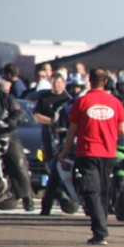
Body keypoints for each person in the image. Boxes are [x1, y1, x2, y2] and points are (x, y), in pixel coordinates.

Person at [57, 68, 124, 244]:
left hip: (88, 152)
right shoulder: (115, 102)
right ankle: (102, 228)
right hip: (108, 153)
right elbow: (123, 130)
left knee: (92, 192)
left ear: (90, 80)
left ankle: (100, 232)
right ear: (105, 82)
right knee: (103, 191)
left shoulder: (82, 102)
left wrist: (65, 150)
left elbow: (72, 130)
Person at [34, 73, 72, 216]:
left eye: (59, 82)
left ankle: (64, 195)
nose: (56, 85)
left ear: (63, 83)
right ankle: (48, 205)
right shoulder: (44, 98)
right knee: (51, 170)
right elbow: (36, 116)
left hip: (65, 139)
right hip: (48, 138)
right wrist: (53, 121)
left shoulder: (68, 99)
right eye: (54, 82)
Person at [0, 73, 34, 211]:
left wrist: (12, 120)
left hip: (7, 135)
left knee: (19, 162)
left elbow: (19, 112)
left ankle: (27, 197)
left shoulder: (7, 99)